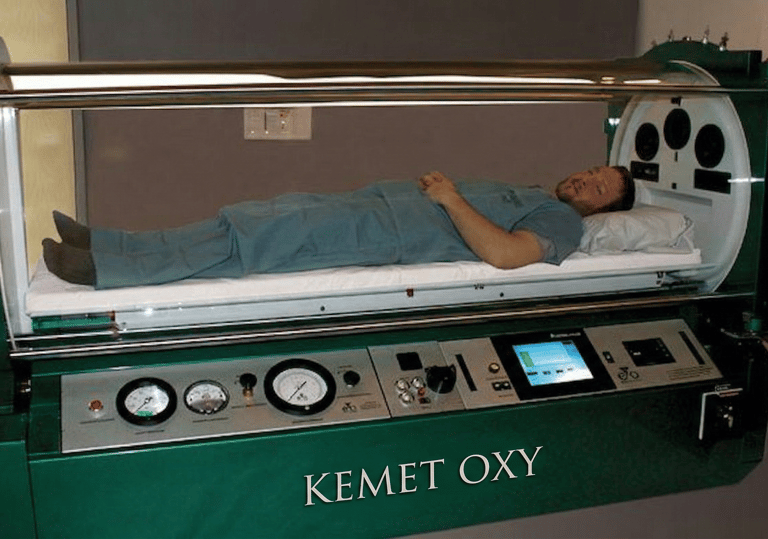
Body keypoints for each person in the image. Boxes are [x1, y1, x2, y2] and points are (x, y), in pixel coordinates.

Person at [42, 165, 634, 289]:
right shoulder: (535, 190)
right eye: (590, 170)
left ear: (604, 211)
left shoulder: (562, 222)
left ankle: (104, 269)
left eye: (600, 186)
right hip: (367, 210)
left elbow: (506, 255)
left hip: (379, 237)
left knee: (246, 240)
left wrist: (451, 198)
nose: (586, 180)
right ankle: (108, 244)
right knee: (244, 221)